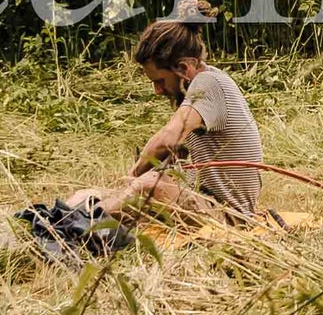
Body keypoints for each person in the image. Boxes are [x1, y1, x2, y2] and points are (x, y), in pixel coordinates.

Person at [100, 17, 266, 221]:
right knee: (90, 195)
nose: (157, 90)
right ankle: (68, 218)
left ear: (184, 68)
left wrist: (133, 176)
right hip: (203, 199)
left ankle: (79, 224)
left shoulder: (208, 84)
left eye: (160, 81)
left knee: (146, 186)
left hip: (227, 213)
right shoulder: (201, 86)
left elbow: (169, 138)